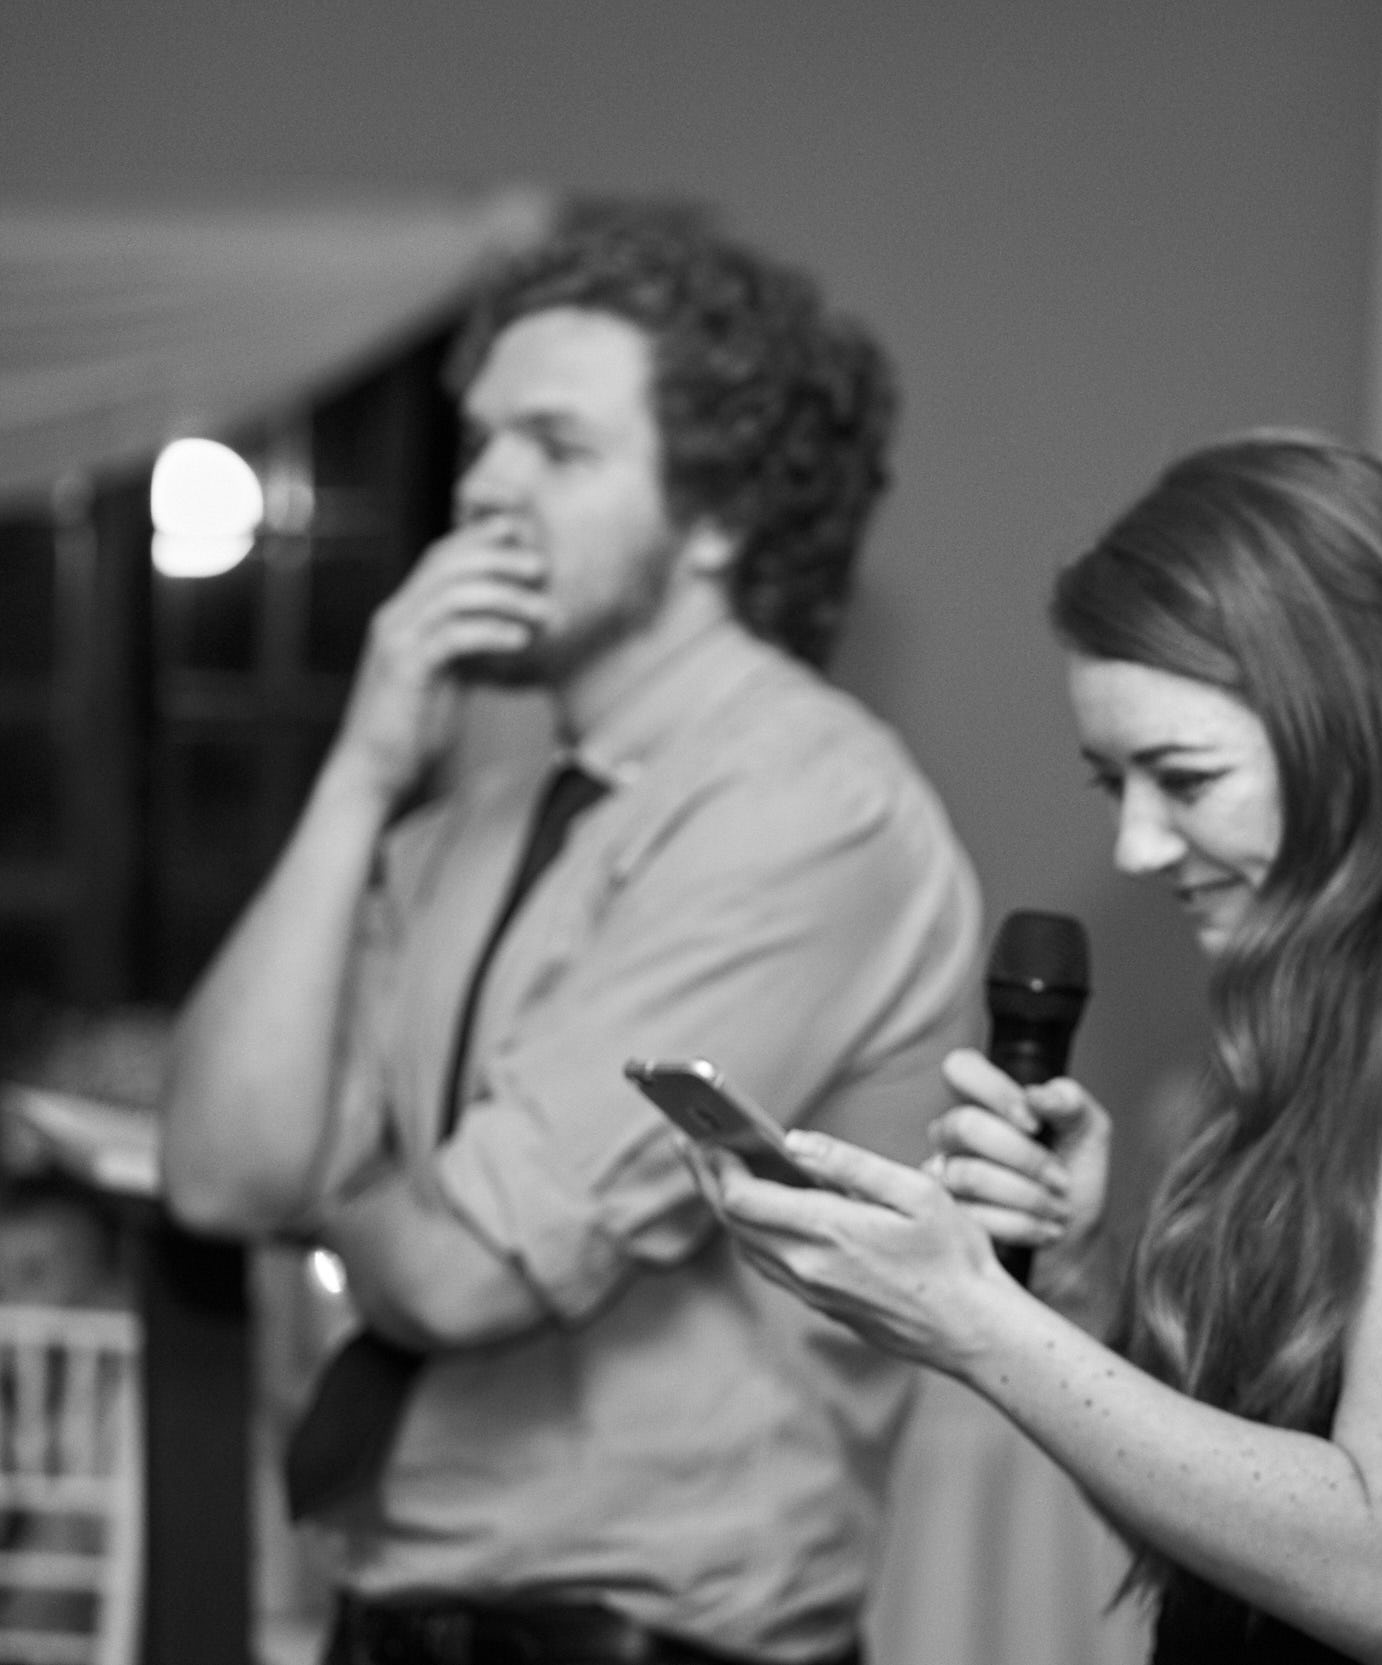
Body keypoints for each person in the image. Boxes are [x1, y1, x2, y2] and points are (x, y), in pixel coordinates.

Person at [705, 434, 1382, 1664]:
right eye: (1112, 784)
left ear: (1367, 729)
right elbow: (1229, 1569)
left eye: (1182, 779)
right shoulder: (1311, 1055)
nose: (1137, 846)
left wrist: (968, 1315)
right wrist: (1072, 1290)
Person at [160, 203, 982, 1665]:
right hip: (390, 1617)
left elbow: (462, 1272)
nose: (484, 485)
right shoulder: (473, 818)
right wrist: (362, 769)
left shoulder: (810, 805)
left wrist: (331, 1175)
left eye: (555, 444)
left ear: (717, 519)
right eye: (481, 440)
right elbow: (221, 1171)